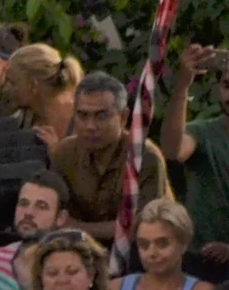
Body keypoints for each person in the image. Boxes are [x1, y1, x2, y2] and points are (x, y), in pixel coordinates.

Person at [154, 42, 229, 269]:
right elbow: (173, 150)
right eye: (227, 85)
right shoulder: (202, 132)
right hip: (201, 258)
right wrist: (183, 86)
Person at [47, 74, 170, 248]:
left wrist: (78, 229)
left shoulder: (144, 156)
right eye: (82, 115)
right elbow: (54, 213)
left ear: (123, 117)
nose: (90, 126)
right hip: (78, 251)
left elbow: (146, 225)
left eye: (101, 116)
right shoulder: (64, 153)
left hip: (140, 252)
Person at [0, 43, 79, 152]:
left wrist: (56, 153)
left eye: (12, 83)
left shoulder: (81, 119)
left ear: (33, 86)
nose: (7, 88)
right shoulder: (24, 117)